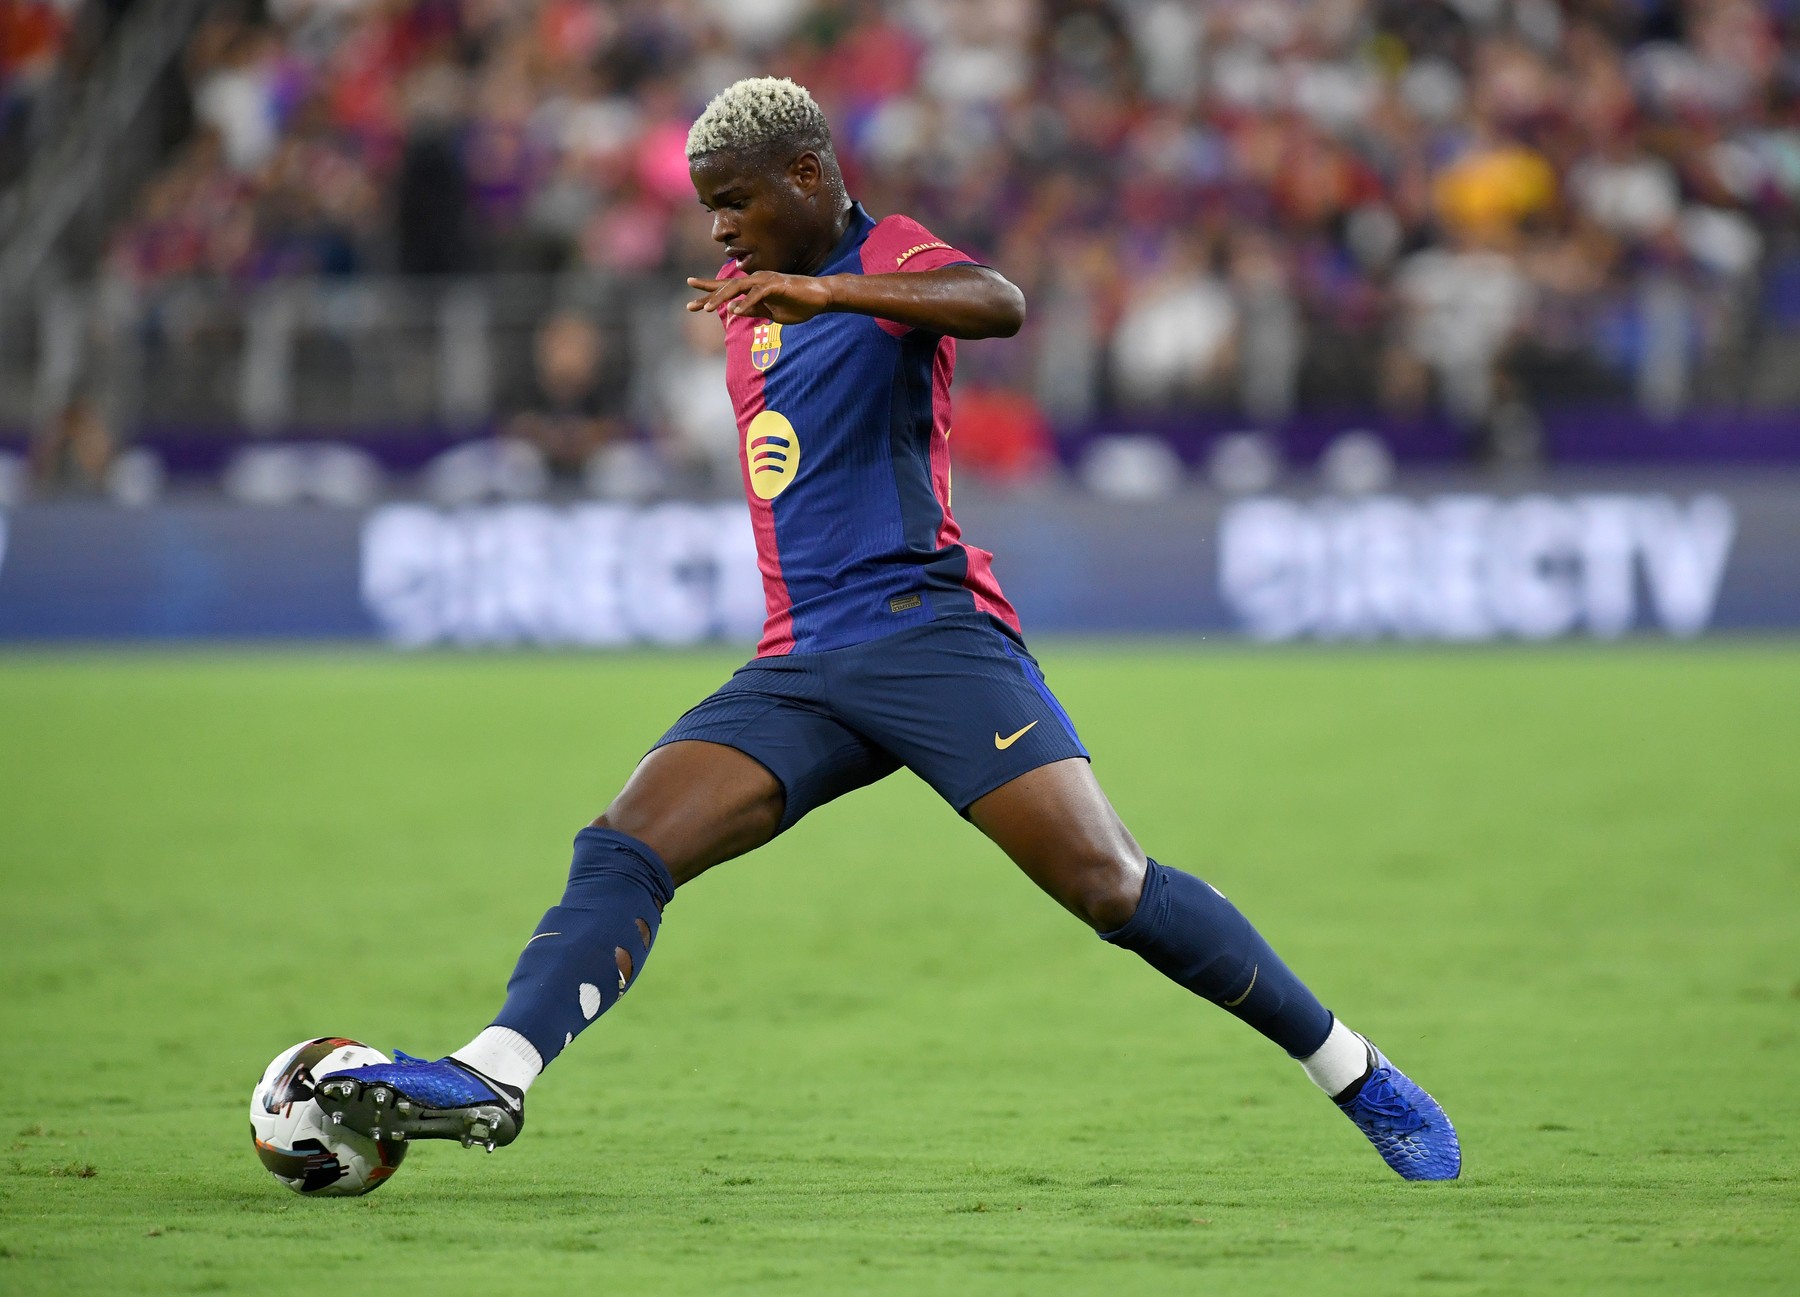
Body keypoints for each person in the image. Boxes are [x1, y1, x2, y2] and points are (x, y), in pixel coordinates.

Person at [317, 78, 1460, 1182]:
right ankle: (493, 1073)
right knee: (624, 842)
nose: (719, 231)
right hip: (800, 662)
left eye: (737, 202)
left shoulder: (885, 257)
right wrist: (785, 300)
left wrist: (832, 295)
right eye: (708, 207)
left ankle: (1359, 1075)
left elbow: (997, 301)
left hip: (929, 637)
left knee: (1111, 885)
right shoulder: (748, 303)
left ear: (809, 175)